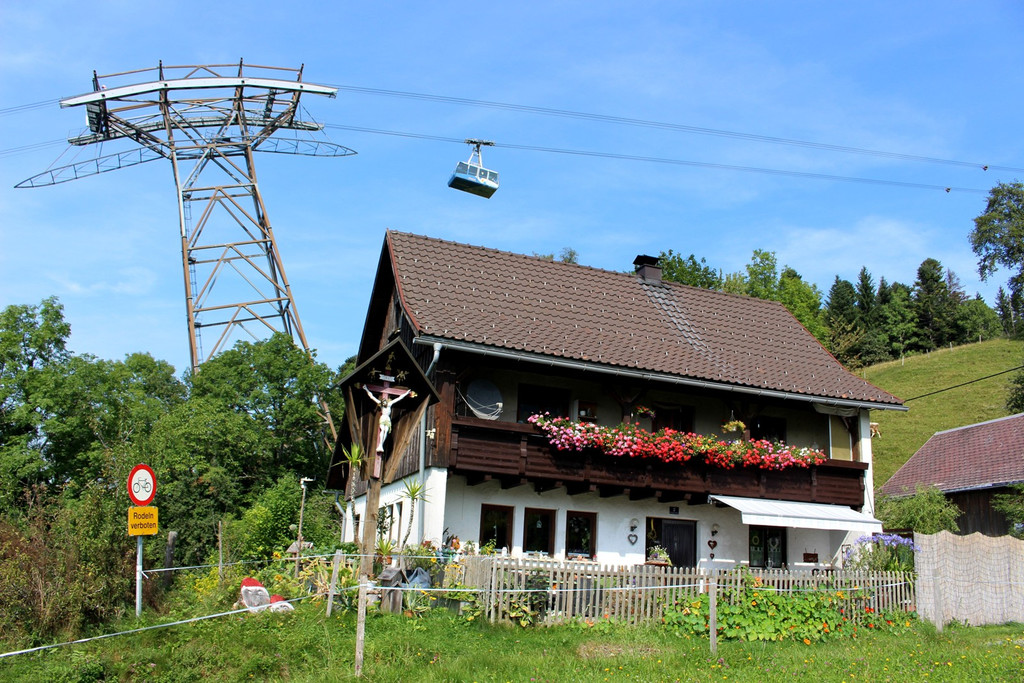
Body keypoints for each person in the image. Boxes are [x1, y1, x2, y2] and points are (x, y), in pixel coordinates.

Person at [364, 385, 415, 452]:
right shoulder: (381, 404)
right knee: (382, 430)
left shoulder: (390, 404)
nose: (384, 403)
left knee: (386, 431)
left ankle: (381, 445)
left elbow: (399, 398)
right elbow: (372, 397)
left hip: (387, 419)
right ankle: (380, 444)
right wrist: (366, 389)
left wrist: (406, 393)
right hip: (383, 417)